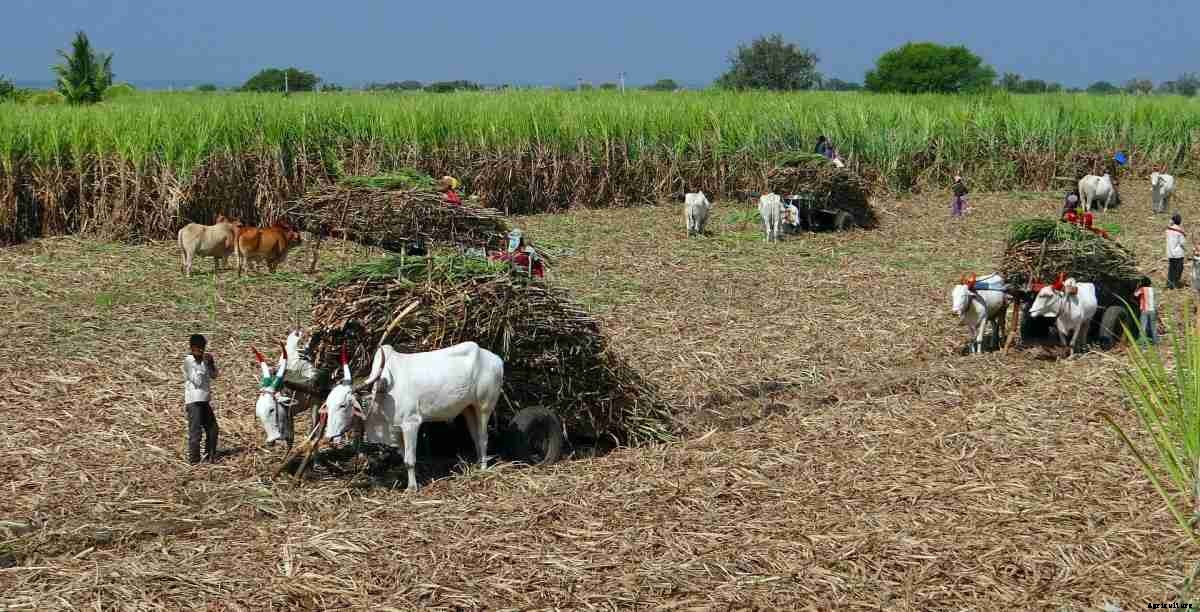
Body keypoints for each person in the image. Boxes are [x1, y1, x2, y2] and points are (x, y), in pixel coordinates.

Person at [182, 334, 219, 464]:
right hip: (193, 401)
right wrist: (202, 362)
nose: (201, 352)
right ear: (192, 348)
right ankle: (194, 461)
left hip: (204, 400)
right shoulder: (189, 360)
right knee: (196, 432)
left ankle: (210, 456)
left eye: (202, 349)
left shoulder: (203, 360)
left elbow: (214, 375)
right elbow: (196, 381)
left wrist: (211, 364)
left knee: (213, 429)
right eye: (198, 349)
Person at [1133, 277, 1158, 345]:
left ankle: (1142, 342)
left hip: (1145, 310)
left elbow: (1135, 294)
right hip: (1153, 310)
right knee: (1153, 326)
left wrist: (1137, 287)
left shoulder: (1142, 289)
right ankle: (1155, 341)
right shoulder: (1153, 290)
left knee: (1143, 326)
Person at [1167, 214, 1187, 289]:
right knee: (1179, 269)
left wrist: (1171, 222)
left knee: (1171, 269)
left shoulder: (1168, 230)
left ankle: (1169, 284)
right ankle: (1175, 283)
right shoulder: (1180, 231)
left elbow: (1169, 225)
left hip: (1170, 253)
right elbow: (1182, 243)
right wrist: (1186, 250)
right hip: (1178, 254)